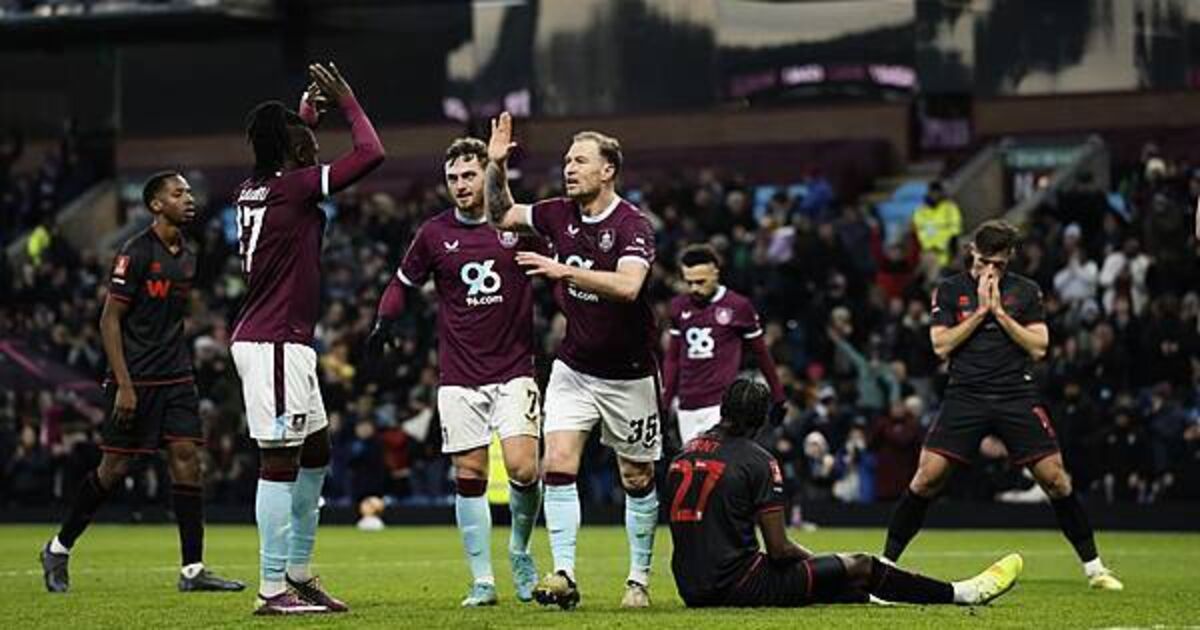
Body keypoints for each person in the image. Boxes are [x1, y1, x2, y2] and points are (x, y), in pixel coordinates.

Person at [882, 220, 1124, 591]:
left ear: (1010, 258)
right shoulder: (949, 290)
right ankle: (884, 567)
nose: (989, 271)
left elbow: (1038, 346)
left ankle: (1095, 569)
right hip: (966, 394)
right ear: (972, 253)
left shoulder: (1026, 291)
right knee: (927, 477)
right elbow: (941, 345)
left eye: (998, 264)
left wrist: (1000, 313)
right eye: (983, 262)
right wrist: (982, 312)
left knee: (1056, 479)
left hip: (1015, 393)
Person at [485, 112, 658, 609]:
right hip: (574, 368)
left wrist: (562, 271)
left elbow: (629, 286)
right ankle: (563, 572)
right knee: (557, 463)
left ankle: (638, 579)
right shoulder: (557, 213)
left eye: (580, 161)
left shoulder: (631, 224)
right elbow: (502, 215)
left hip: (629, 373)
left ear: (608, 170)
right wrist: (496, 165)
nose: (569, 168)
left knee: (637, 478)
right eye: (566, 161)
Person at [40, 172, 243, 594]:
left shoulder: (189, 255)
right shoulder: (134, 253)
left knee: (187, 459)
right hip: (135, 378)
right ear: (155, 205)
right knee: (113, 470)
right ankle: (58, 548)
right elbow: (108, 320)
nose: (189, 199)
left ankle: (193, 570)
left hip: (177, 375)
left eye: (189, 192)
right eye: (178, 193)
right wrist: (125, 386)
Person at [230, 62, 384, 615]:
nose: (316, 148)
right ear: (294, 152)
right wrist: (348, 101)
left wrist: (302, 119)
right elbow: (370, 154)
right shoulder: (293, 188)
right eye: (309, 143)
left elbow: (284, 155)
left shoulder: (254, 188)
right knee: (279, 460)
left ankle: (297, 571)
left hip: (280, 339)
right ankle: (272, 588)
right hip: (274, 341)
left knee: (316, 450)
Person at [367, 137, 543, 607]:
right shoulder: (433, 233)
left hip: (514, 368)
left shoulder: (517, 224)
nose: (461, 185)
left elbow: (557, 263)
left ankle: (520, 549)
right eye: (453, 178)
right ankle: (483, 580)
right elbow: (402, 283)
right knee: (469, 473)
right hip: (459, 375)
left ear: (488, 174)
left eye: (469, 175)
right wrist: (385, 319)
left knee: (525, 468)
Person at [667, 379, 1022, 608]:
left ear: (723, 409)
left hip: (690, 588)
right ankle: (961, 593)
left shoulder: (685, 453)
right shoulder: (758, 460)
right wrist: (823, 560)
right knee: (860, 565)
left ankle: (871, 597)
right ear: (762, 421)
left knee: (833, 580)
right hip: (739, 585)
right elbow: (779, 550)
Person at [661, 243, 785, 444]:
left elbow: (761, 353)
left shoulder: (738, 306)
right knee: (695, 462)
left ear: (715, 273)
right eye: (689, 282)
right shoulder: (678, 306)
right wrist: (665, 403)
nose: (694, 288)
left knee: (719, 460)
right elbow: (672, 358)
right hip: (687, 405)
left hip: (720, 405)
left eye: (700, 282)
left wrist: (778, 396)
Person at [911, 181, 963, 271]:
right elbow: (917, 230)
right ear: (929, 193)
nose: (935, 195)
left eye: (937, 192)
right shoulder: (920, 210)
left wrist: (953, 250)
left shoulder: (949, 208)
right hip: (928, 252)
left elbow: (955, 229)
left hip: (947, 251)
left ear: (941, 193)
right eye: (933, 192)